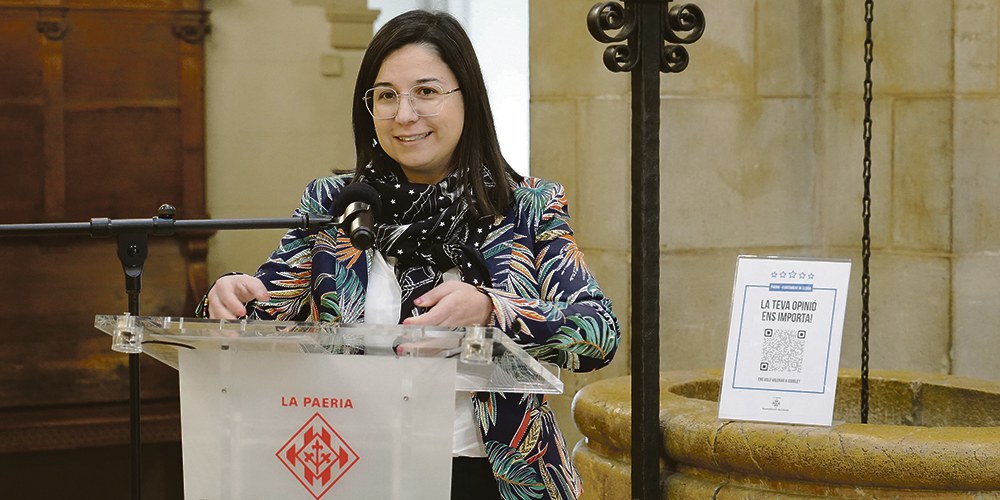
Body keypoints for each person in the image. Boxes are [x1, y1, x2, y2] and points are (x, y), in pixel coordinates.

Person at [199, 9, 620, 500]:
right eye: (386, 96)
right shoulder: (338, 205)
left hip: (489, 476)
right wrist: (231, 297)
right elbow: (264, 309)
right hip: (353, 467)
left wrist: (491, 310)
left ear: (468, 97)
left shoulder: (527, 206)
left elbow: (598, 333)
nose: (404, 115)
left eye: (426, 91)